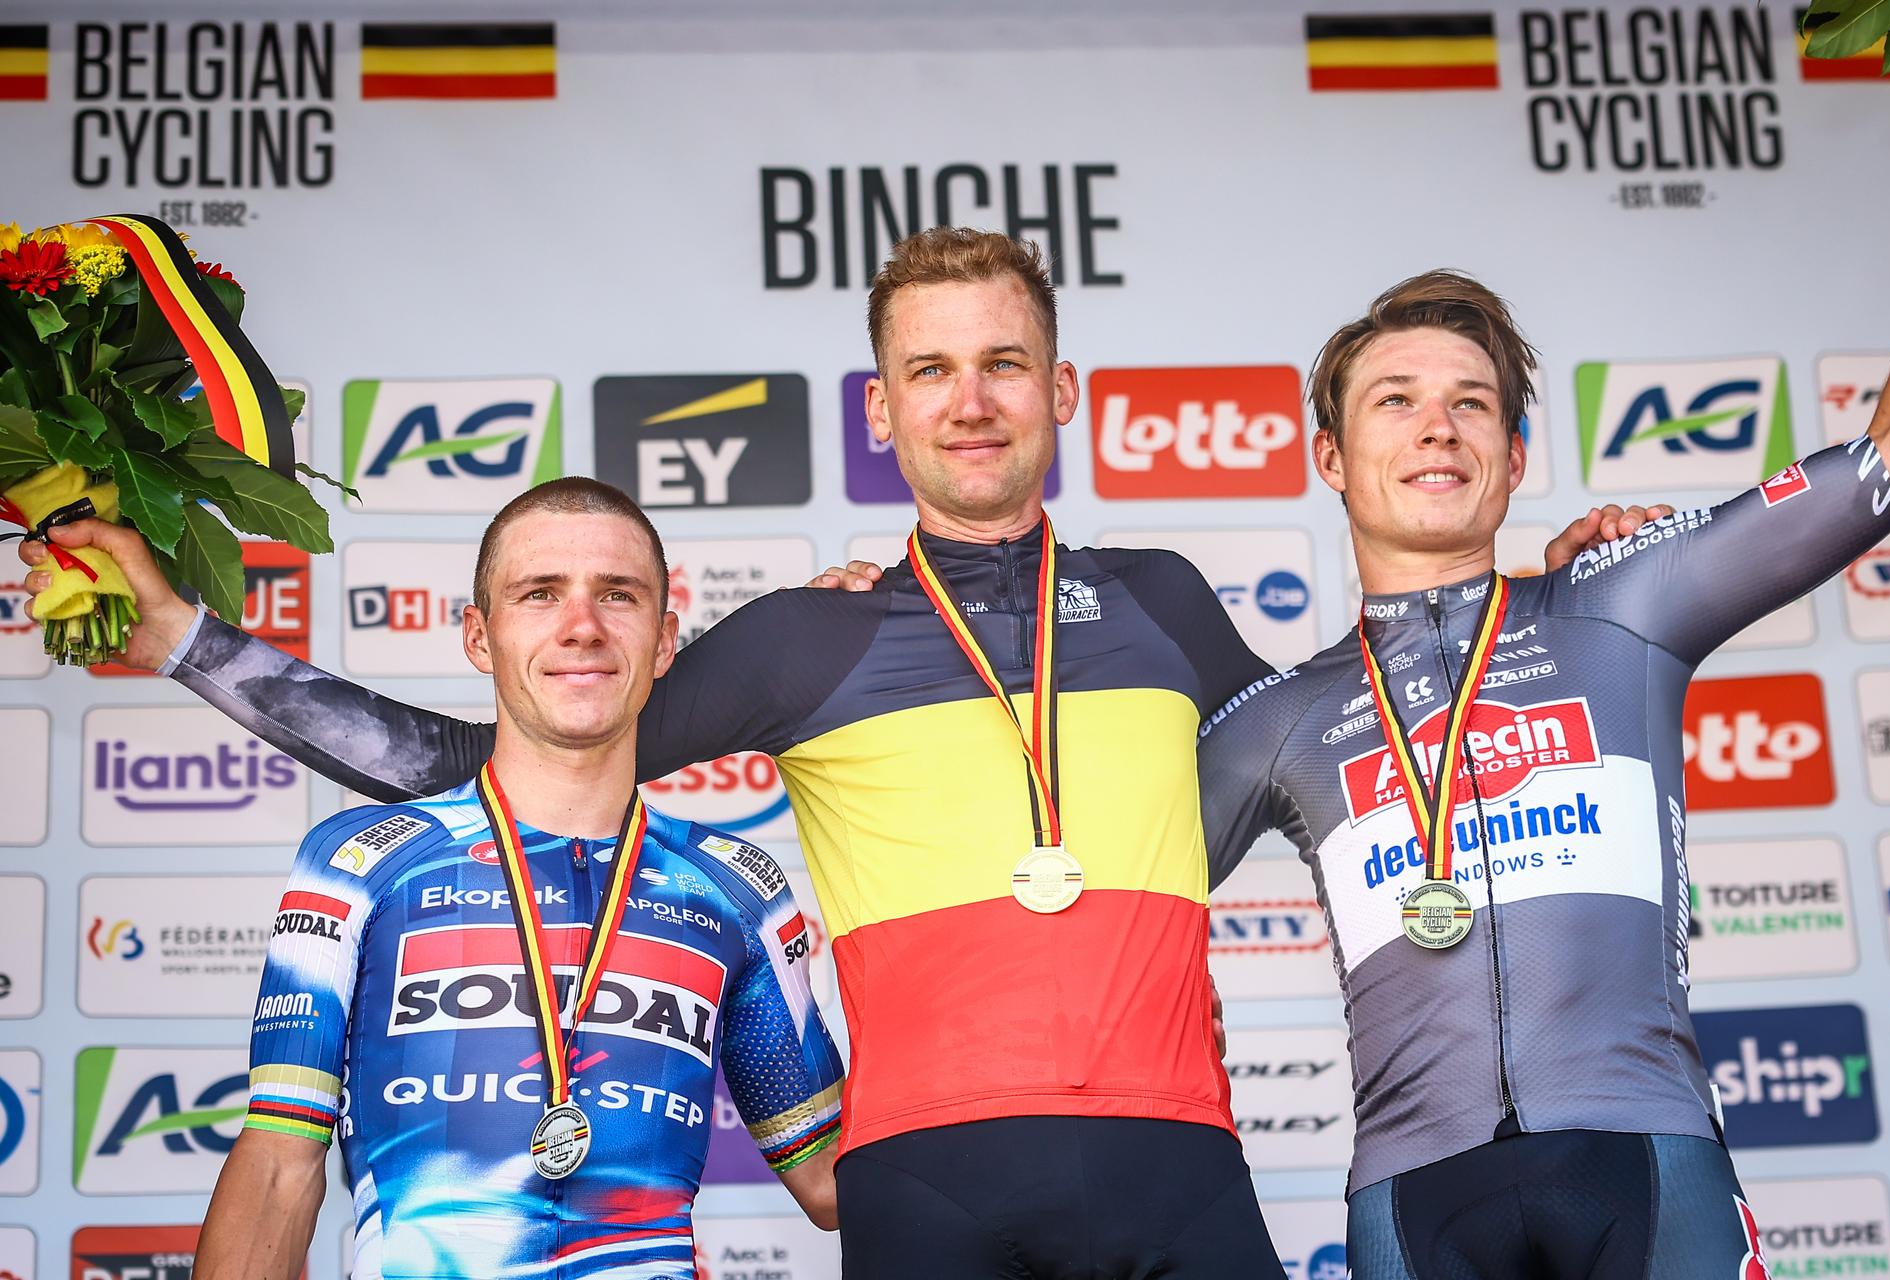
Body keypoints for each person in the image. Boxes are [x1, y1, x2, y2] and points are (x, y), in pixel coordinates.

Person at [30, 230, 1650, 1279]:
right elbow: (503, 759)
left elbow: (1367, 741)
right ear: (882, 410)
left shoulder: (1162, 605)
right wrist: (183, 635)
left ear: (1062, 391)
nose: (970, 399)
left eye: (1003, 362)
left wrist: (1534, 603)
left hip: (1181, 1172)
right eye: (932, 370)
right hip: (922, 1192)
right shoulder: (810, 636)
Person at [1196, 270, 1890, 1278]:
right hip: (1415, 1195)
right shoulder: (1284, 718)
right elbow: (1092, 901)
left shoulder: (1623, 601)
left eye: (1471, 403)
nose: (1437, 427)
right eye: (1395, 399)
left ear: (1516, 453)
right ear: (1332, 456)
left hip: (1648, 1160)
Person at [191, 478, 844, 1280]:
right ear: (478, 635)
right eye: (540, 594)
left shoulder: (735, 886)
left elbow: (832, 1181)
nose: (583, 628)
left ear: (666, 639)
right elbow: (280, 1166)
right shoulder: (356, 864)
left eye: (618, 595)